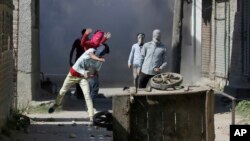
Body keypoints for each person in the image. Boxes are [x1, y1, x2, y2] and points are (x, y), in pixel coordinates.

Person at [48, 45, 110, 125]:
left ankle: (91, 117)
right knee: (63, 90)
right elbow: (91, 55)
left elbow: (94, 72)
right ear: (98, 49)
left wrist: (91, 74)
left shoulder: (99, 61)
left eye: (103, 53)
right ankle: (56, 105)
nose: (101, 54)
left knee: (87, 95)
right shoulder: (91, 50)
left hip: (82, 78)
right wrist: (99, 59)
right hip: (73, 74)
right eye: (102, 51)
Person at [69, 29, 87, 99]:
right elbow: (72, 50)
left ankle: (81, 94)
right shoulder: (78, 40)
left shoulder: (87, 41)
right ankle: (80, 94)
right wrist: (70, 60)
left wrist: (70, 60)